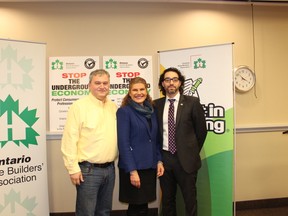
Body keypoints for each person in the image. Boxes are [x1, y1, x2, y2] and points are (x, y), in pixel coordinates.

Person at [61, 69, 118, 216]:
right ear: (89, 85)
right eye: (97, 83)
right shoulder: (79, 106)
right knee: (86, 212)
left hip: (110, 170)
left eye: (105, 83)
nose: (102, 86)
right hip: (88, 171)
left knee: (104, 212)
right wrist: (72, 168)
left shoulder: (113, 107)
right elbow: (69, 139)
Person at [154, 67, 207, 216]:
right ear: (163, 84)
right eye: (167, 80)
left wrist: (190, 151)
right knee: (168, 200)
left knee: (190, 200)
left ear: (180, 83)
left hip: (186, 160)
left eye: (175, 79)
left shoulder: (192, 102)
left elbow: (201, 131)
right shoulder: (156, 105)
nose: (171, 82)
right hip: (165, 159)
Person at [116, 77, 164, 216]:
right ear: (129, 93)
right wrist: (132, 171)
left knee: (143, 206)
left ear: (146, 91)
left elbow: (154, 139)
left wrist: (159, 160)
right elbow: (123, 143)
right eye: (135, 90)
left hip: (149, 166)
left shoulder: (151, 110)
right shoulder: (124, 112)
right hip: (133, 167)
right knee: (136, 207)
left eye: (142, 89)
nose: (139, 93)